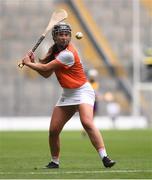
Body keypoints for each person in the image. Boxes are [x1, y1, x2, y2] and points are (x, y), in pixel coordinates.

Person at [22, 22, 116, 169]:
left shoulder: (68, 54)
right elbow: (46, 73)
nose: (64, 37)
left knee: (86, 122)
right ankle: (55, 161)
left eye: (66, 35)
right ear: (55, 37)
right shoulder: (54, 51)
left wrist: (28, 63)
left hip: (83, 91)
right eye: (61, 34)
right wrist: (33, 62)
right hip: (68, 94)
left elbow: (46, 67)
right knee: (53, 131)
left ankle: (105, 157)